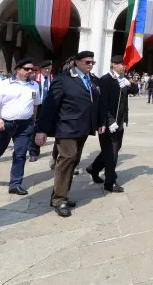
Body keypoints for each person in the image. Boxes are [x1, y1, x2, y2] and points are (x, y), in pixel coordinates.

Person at [35, 51, 105, 217]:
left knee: (74, 161)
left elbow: (96, 103)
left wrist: (100, 122)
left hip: (83, 127)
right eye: (87, 62)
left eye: (92, 63)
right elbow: (50, 105)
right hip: (66, 127)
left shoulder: (92, 80)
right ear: (77, 62)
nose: (90, 65)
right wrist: (42, 129)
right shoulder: (63, 79)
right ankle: (59, 200)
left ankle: (60, 194)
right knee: (67, 159)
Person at [0, 58, 41, 195]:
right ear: (18, 69)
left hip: (25, 125)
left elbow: (36, 104)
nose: (30, 71)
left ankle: (15, 184)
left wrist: (34, 120)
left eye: (32, 69)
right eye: (27, 69)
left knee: (20, 155)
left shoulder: (34, 85)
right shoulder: (4, 84)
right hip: (5, 124)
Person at [87, 54, 138, 192]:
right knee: (112, 152)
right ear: (114, 65)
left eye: (124, 64)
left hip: (120, 121)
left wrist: (130, 83)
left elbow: (135, 90)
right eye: (121, 64)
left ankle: (94, 168)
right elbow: (102, 104)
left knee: (113, 148)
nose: (123, 66)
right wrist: (109, 121)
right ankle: (110, 182)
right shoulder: (105, 80)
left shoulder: (122, 79)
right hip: (108, 123)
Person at [28, 60, 53, 162]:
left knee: (46, 129)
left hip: (49, 107)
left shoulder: (54, 79)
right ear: (41, 69)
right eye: (45, 69)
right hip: (37, 106)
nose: (47, 71)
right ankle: (33, 151)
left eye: (49, 69)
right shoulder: (33, 79)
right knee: (35, 128)